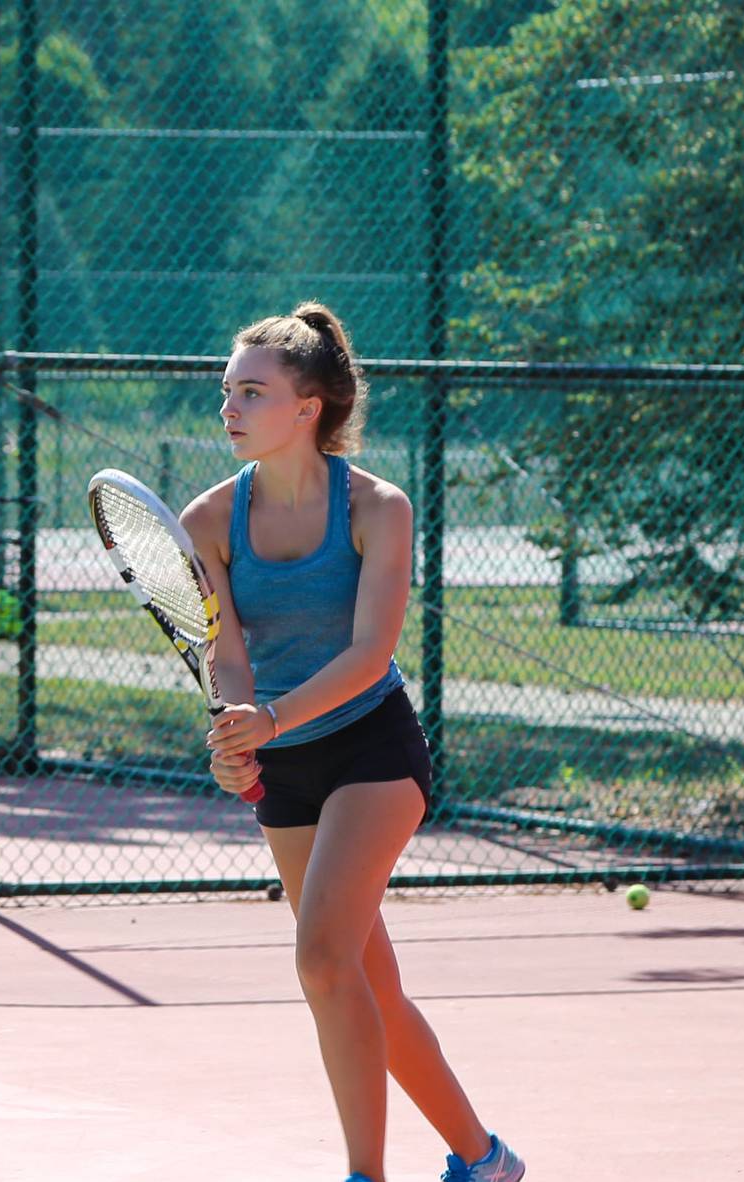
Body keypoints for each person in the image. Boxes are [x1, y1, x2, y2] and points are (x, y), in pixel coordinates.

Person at [188, 303, 524, 1182]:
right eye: (227, 390)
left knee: (322, 959)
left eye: (252, 392)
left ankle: (363, 1175)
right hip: (286, 768)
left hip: (373, 750)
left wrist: (271, 720)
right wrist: (236, 729)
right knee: (366, 987)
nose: (229, 407)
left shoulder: (378, 507)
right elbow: (228, 654)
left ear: (308, 408)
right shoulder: (208, 520)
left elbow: (371, 651)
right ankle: (487, 1159)